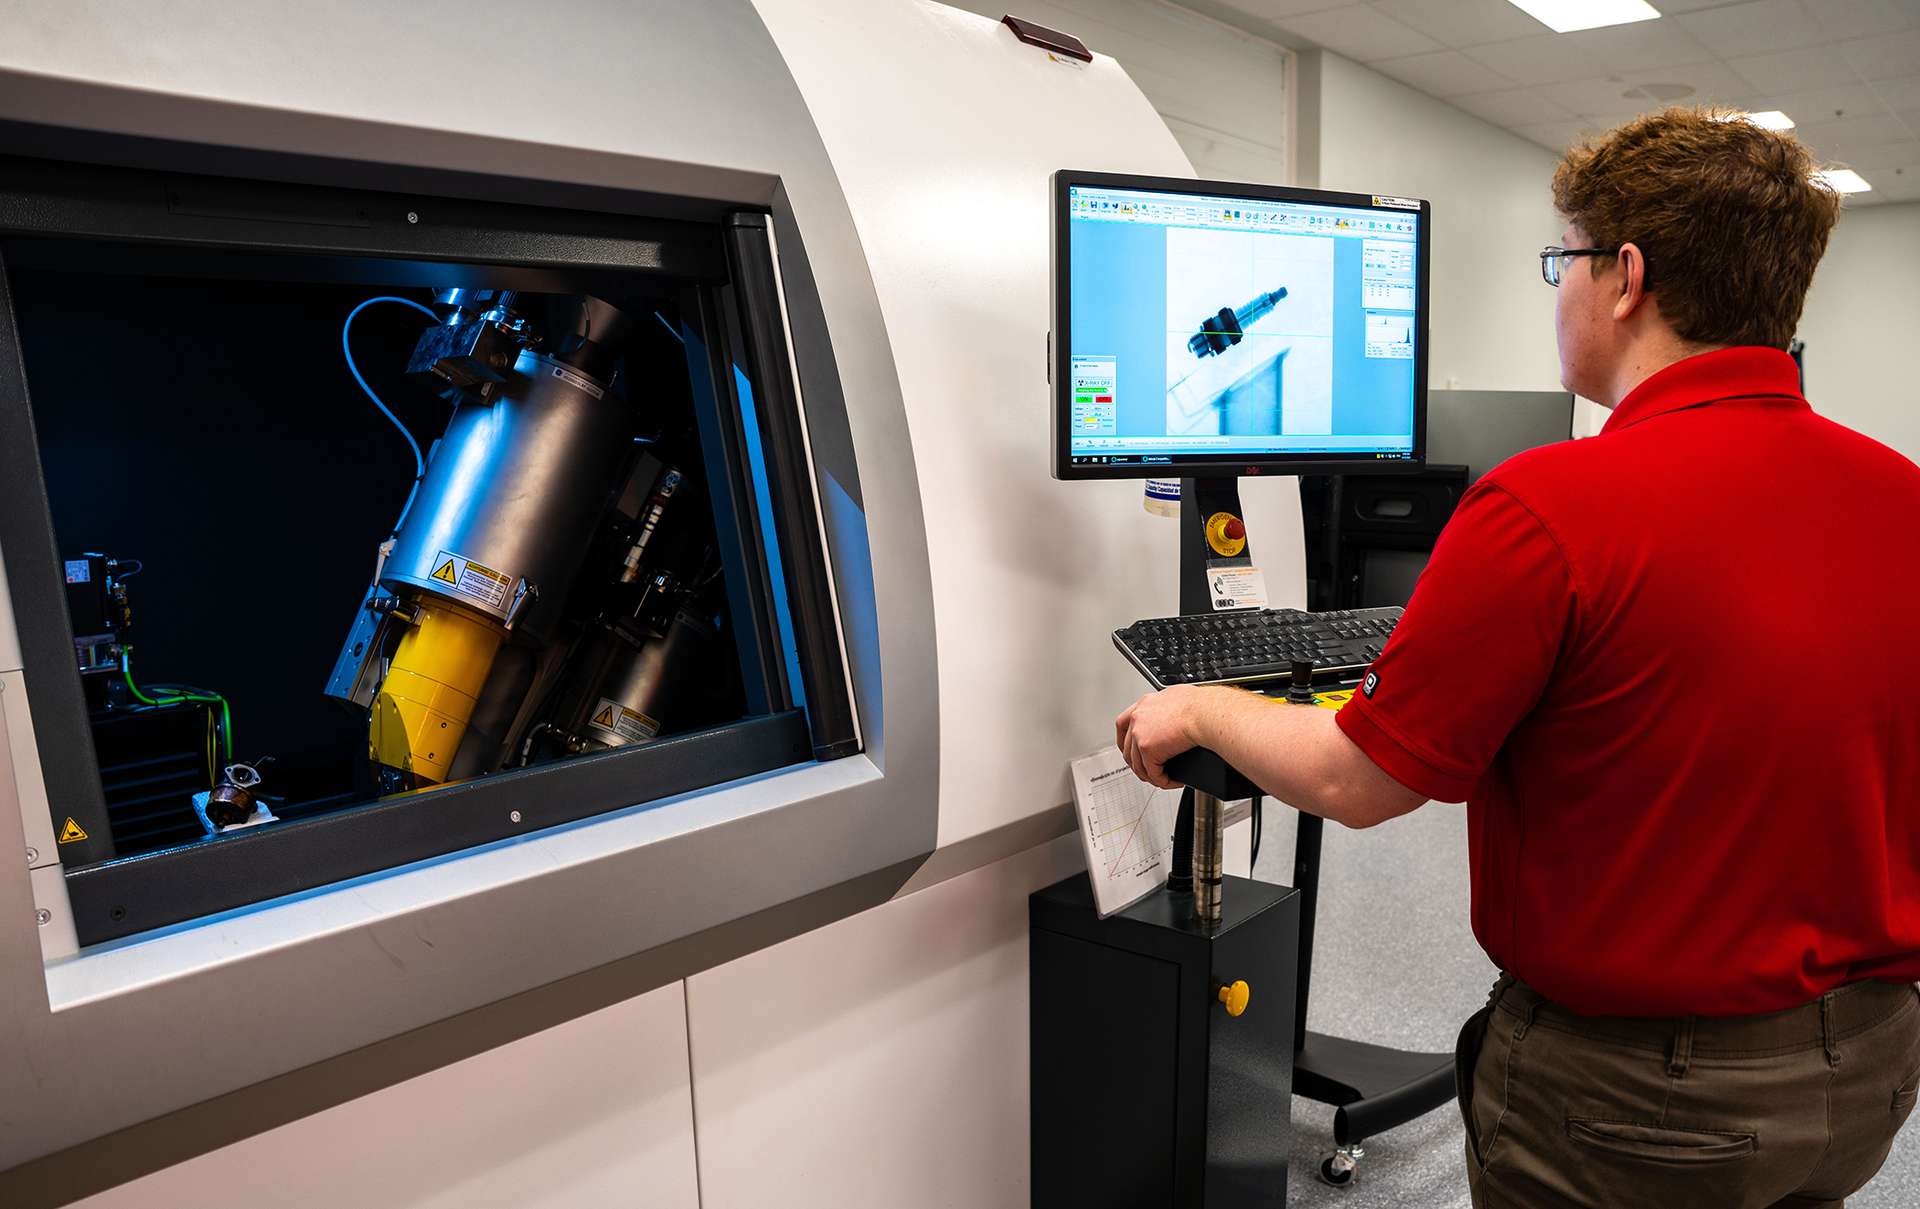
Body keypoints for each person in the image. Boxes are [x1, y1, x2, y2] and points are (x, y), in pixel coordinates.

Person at [1115, 107, 1920, 1209]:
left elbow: (1361, 780)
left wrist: (1203, 710)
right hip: (1866, 1075)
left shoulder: (1550, 508)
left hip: (1639, 1109)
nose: (1560, 293)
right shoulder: (1900, 495)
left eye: (1564, 263)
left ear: (1624, 274)